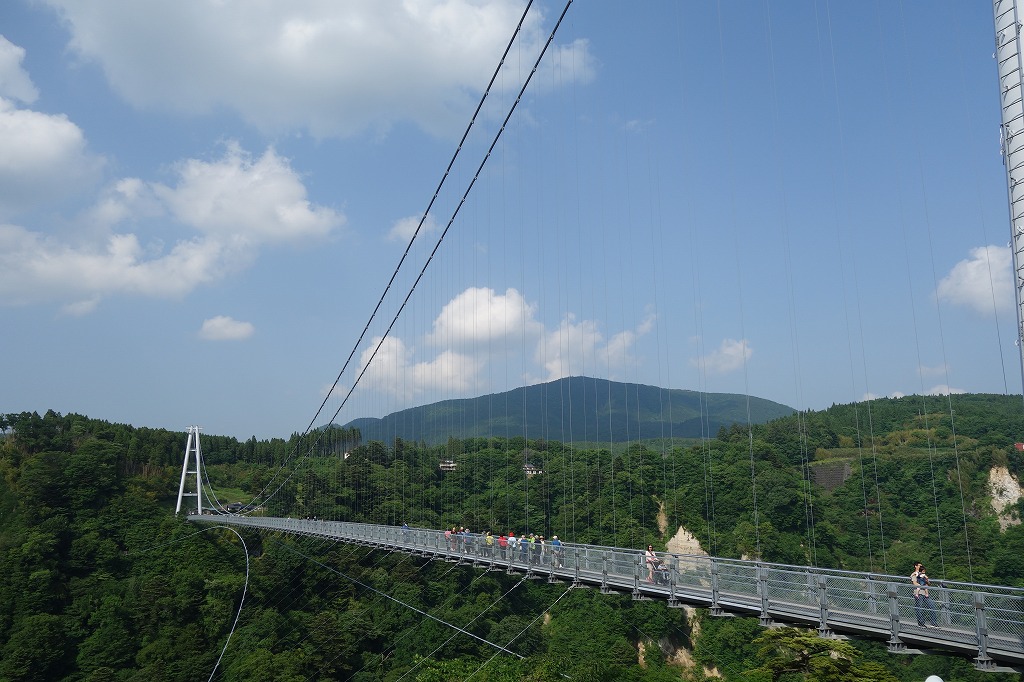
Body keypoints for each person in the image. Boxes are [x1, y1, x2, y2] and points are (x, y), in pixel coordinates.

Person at [911, 562, 938, 627]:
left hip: (925, 593)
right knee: (919, 608)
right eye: (919, 566)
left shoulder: (923, 574)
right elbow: (914, 583)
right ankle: (921, 623)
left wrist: (927, 581)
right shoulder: (914, 574)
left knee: (932, 606)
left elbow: (928, 583)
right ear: (915, 566)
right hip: (919, 593)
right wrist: (922, 585)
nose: (920, 567)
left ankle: (934, 623)